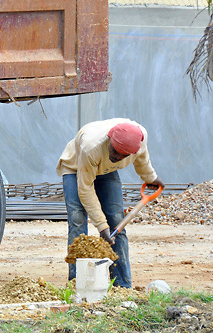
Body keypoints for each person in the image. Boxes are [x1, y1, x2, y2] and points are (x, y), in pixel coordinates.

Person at [56, 118, 165, 288]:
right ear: (110, 140)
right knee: (78, 222)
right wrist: (101, 226)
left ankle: (122, 286)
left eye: (124, 155)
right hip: (76, 167)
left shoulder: (140, 139)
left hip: (105, 169)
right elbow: (85, 190)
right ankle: (77, 284)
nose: (117, 157)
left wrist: (150, 178)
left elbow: (142, 159)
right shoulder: (91, 147)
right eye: (115, 151)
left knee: (116, 222)